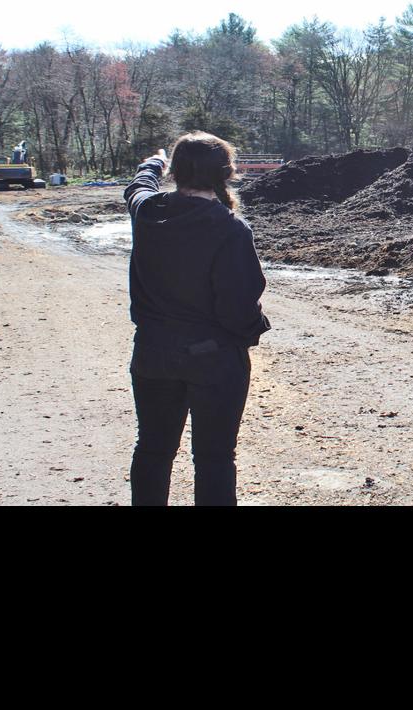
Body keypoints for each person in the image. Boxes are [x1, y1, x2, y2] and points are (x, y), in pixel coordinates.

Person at [123, 132, 271, 506]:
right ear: (227, 174)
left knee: (153, 451)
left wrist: (152, 163)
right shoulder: (230, 227)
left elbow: (138, 187)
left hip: (153, 353)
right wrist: (251, 332)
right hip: (215, 359)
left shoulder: (147, 211)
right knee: (215, 458)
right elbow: (238, 306)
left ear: (175, 172)